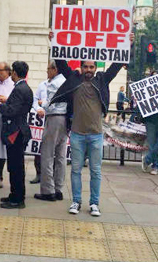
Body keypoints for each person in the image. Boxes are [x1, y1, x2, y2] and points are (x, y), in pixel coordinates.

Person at [51, 59, 124, 216]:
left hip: (96, 135)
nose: (88, 69)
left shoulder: (102, 80)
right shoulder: (74, 79)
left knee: (96, 171)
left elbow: (116, 66)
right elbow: (62, 64)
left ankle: (94, 203)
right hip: (77, 134)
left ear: (95, 68)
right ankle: (76, 201)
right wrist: (55, 41)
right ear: (81, 68)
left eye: (91, 67)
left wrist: (129, 45)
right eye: (86, 67)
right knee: (76, 170)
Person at [0, 61, 33, 209]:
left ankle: (18, 199)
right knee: (14, 165)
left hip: (15, 132)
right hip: (18, 130)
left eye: (12, 71)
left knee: (16, 167)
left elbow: (13, 110)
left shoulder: (19, 89)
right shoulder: (23, 87)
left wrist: (1, 107)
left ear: (15, 73)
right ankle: (14, 195)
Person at [34, 61, 68, 202]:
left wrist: (43, 106)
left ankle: (48, 190)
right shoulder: (66, 81)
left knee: (47, 154)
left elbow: (51, 102)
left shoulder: (53, 83)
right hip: (65, 119)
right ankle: (58, 188)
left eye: (48, 69)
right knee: (60, 156)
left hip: (54, 118)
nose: (47, 71)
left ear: (55, 69)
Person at [30, 79, 48, 184]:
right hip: (40, 120)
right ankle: (39, 173)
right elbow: (35, 100)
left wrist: (44, 104)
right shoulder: (42, 84)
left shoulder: (62, 82)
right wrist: (38, 109)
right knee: (38, 148)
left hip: (51, 118)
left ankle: (49, 176)